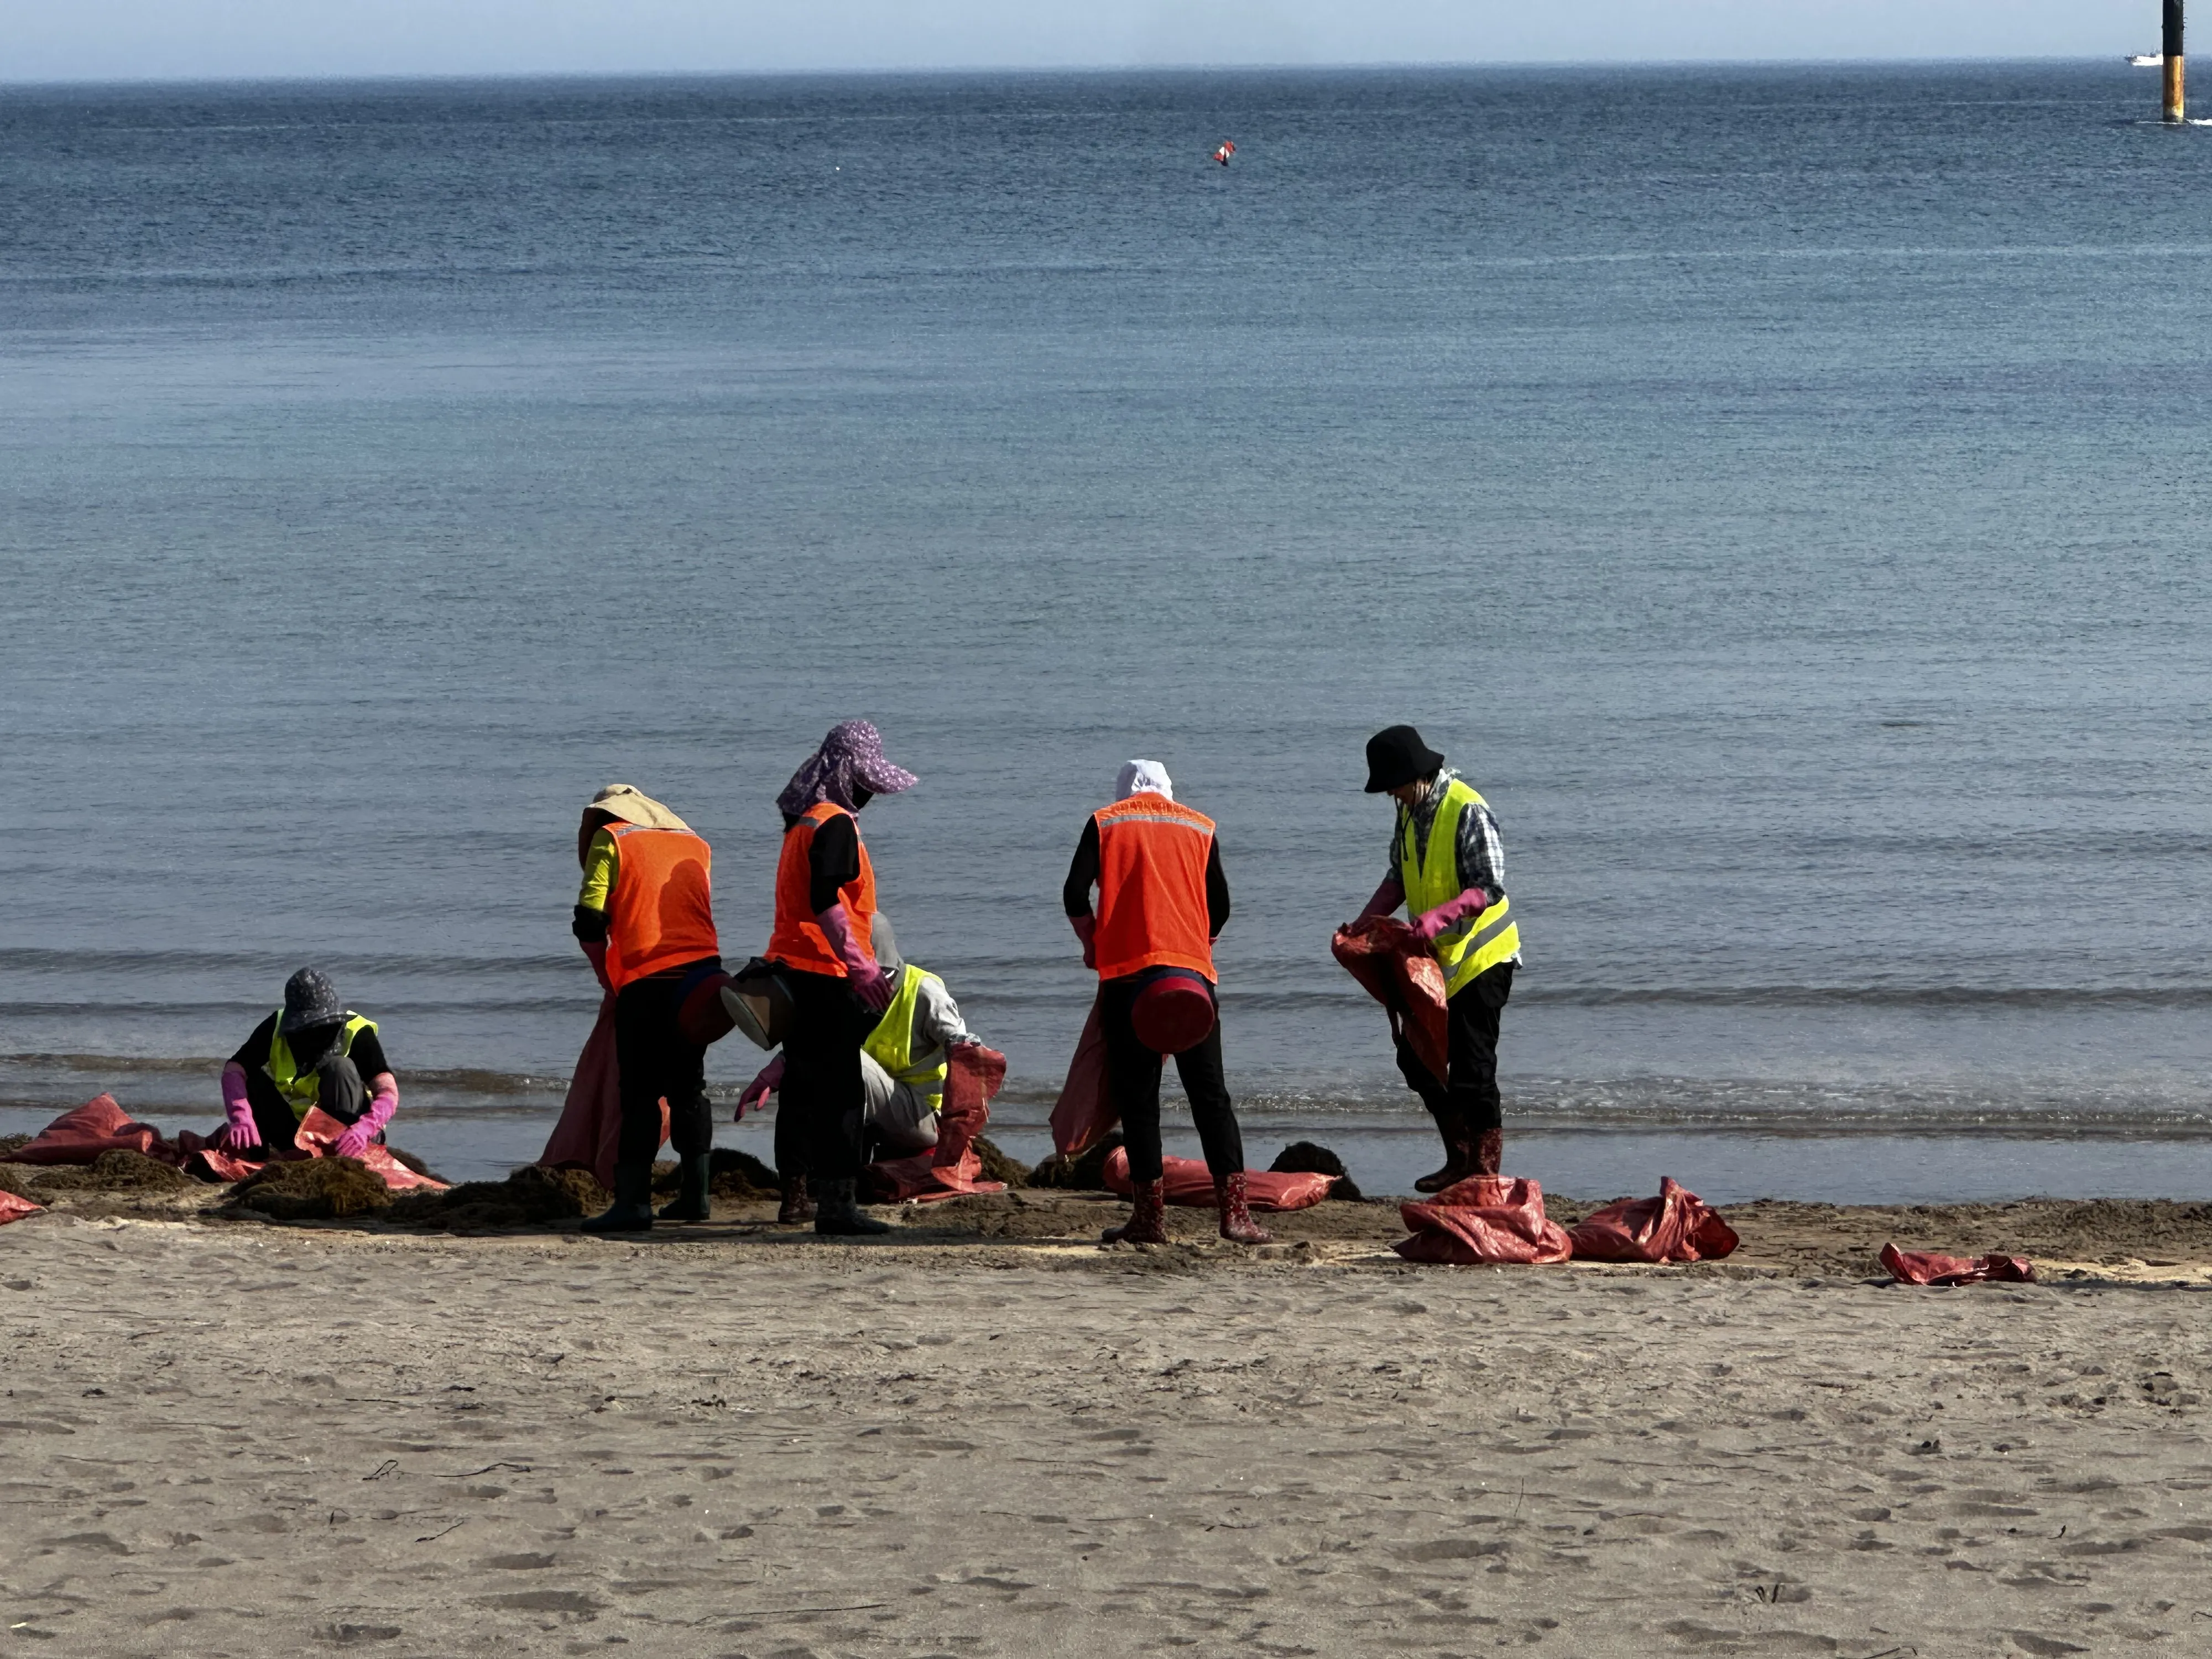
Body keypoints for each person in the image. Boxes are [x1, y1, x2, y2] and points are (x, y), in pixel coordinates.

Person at [1063, 759, 1270, 1246]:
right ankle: (1235, 1216)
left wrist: (1092, 943)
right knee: (1211, 1096)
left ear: (1124, 792)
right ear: (1168, 790)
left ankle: (1149, 1220)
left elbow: (1074, 894)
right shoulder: (1200, 827)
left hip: (1127, 979)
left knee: (1139, 1100)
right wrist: (1200, 942)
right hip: (1191, 977)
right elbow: (1221, 907)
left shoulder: (1105, 823)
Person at [1351, 724, 1521, 1191]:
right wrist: (1364, 923)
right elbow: (1398, 876)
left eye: (1394, 786)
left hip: (1484, 959)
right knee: (1417, 1061)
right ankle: (1459, 1158)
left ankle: (1483, 1177)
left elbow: (1489, 886)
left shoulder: (1468, 809)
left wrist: (1437, 918)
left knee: (1473, 1072)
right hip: (1435, 964)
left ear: (1416, 775)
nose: (1391, 795)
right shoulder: (1408, 814)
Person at [765, 720, 919, 1237]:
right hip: (827, 976)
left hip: (789, 972)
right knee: (843, 1094)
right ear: (847, 776)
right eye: (866, 783)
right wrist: (863, 966)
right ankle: (837, 1206)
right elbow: (826, 901)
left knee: (800, 1087)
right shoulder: (836, 824)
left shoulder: (803, 823)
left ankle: (795, 1197)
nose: (871, 794)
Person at [738, 913, 985, 1211]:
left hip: (922, 1117)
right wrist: (775, 1072)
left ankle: (835, 1173)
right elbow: (818, 1041)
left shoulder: (924, 990)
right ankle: (815, 1176)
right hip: (876, 1113)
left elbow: (960, 1045)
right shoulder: (847, 993)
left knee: (845, 1057)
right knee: (823, 1060)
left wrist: (964, 1107)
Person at [569, 784, 724, 1232]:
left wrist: (606, 976)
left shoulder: (612, 839)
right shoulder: (695, 844)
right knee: (689, 1089)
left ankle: (633, 1203)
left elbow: (590, 917)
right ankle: (696, 1196)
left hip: (647, 981)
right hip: (703, 978)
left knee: (638, 1093)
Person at [216, 968, 399, 1160]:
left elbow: (388, 1090)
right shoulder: (277, 1027)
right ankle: (256, 1152)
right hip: (297, 1131)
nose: (314, 1033)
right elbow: (235, 1069)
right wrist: (241, 1117)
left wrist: (366, 1127)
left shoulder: (357, 1032)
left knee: (340, 1066)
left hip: (352, 1132)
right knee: (251, 1079)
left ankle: (341, 1152)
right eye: (306, 1027)